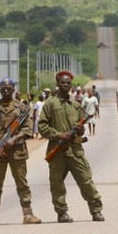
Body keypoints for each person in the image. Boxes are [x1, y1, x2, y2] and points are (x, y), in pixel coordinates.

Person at [38, 71, 104, 223]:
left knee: (86, 180)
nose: (66, 85)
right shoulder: (50, 103)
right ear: (58, 83)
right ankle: (62, 213)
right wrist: (59, 135)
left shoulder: (75, 105)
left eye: (68, 83)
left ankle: (96, 210)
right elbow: (42, 126)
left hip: (75, 150)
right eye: (63, 82)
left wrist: (80, 130)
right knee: (57, 184)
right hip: (58, 150)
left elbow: (82, 125)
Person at [0, 77, 41, 226]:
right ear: (0, 90)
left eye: (9, 88)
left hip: (17, 151)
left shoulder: (21, 108)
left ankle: (28, 214)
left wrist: (14, 139)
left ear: (14, 89)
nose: (6, 91)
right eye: (3, 88)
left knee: (22, 183)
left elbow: (28, 129)